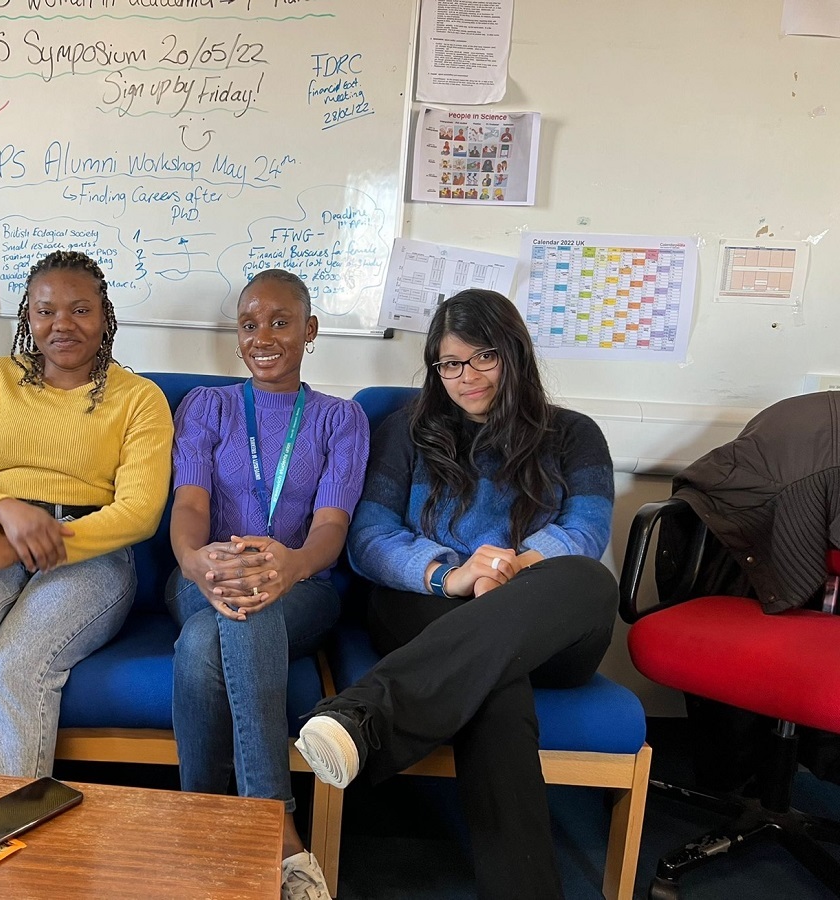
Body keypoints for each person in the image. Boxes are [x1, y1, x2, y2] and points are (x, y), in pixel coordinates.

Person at [294, 289, 616, 900]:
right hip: (433, 603)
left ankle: (368, 716)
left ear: (514, 354)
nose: (464, 377)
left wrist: (514, 569)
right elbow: (369, 539)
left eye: (482, 358)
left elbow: (587, 531)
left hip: (542, 618)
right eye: (449, 363)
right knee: (493, 682)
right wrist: (451, 573)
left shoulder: (573, 434)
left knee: (590, 580)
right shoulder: (406, 433)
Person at [0, 250, 174, 778]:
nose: (62, 325)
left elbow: (139, 513)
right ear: (28, 316)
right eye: (46, 311)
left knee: (12, 669)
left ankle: (10, 830)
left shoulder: (140, 399)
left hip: (91, 556)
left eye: (80, 310)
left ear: (104, 315)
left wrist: (26, 540)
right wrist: (4, 512)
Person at [166, 269, 369, 899]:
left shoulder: (341, 419)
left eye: (281, 322)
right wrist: (195, 561)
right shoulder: (206, 406)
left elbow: (331, 528)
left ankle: (213, 821)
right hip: (206, 573)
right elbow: (191, 507)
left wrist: (291, 565)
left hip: (303, 584)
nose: (264, 337)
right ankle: (277, 832)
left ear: (310, 330)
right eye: (250, 324)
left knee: (213, 638)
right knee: (225, 617)